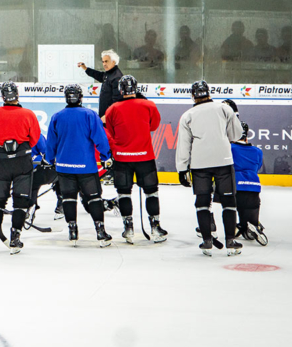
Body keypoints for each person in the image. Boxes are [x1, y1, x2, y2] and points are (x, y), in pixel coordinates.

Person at [176, 80, 243, 256]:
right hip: (223, 160)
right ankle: (230, 240)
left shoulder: (187, 115)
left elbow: (183, 145)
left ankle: (207, 240)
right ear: (209, 92)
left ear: (192, 95)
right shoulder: (224, 108)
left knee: (202, 202)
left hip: (199, 164)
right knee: (229, 201)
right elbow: (236, 134)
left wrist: (182, 169)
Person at [44, 84, 113, 248]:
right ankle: (101, 231)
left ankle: (72, 231)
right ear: (81, 97)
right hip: (86, 168)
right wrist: (106, 156)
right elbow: (100, 139)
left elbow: (51, 144)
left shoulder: (57, 117)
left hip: (64, 167)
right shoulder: (89, 115)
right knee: (94, 198)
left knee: (68, 198)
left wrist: (49, 159)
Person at [104, 76, 166, 244]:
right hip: (145, 157)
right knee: (151, 192)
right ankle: (155, 227)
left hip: (122, 158)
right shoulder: (148, 105)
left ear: (120, 90)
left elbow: (108, 130)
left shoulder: (112, 108)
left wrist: (116, 146)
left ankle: (128, 228)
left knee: (123, 193)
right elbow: (153, 126)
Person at [0, 81, 41, 255]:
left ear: (2, 96)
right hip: (22, 161)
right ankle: (15, 236)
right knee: (21, 201)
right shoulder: (28, 114)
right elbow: (35, 138)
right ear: (17, 95)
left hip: (2, 161)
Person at [230, 122, 267, 245]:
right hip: (254, 186)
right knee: (252, 216)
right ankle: (253, 227)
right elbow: (257, 167)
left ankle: (240, 227)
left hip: (238, 185)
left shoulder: (230, 148)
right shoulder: (257, 151)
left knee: (237, 210)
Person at [78, 50, 123, 122]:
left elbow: (117, 101)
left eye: (106, 61)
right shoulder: (109, 73)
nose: (104, 64)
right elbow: (99, 75)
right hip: (105, 116)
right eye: (103, 62)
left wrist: (108, 115)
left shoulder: (116, 78)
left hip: (110, 118)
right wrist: (86, 69)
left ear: (113, 62)